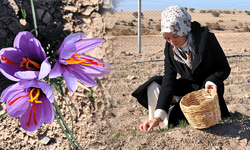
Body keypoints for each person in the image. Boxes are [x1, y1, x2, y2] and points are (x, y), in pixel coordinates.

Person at [131, 6, 231, 132]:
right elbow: (169, 78)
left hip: (207, 89)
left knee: (175, 117)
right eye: (167, 38)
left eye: (175, 36)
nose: (172, 42)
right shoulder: (169, 48)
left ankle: (170, 116)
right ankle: (156, 120)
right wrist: (157, 117)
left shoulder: (207, 39)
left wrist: (212, 81)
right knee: (154, 83)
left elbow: (224, 68)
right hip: (188, 86)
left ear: (183, 29)